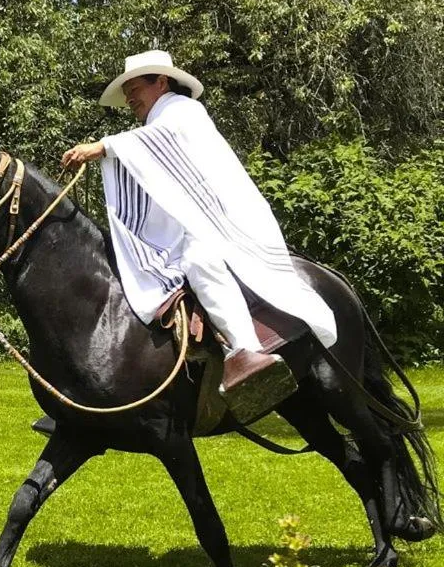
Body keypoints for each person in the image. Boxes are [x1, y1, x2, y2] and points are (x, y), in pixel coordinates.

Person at [61, 49, 337, 422]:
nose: (129, 99)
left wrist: (103, 147)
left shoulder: (182, 111)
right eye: (126, 93)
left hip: (226, 218)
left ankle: (247, 351)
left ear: (161, 82)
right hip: (194, 221)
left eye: (134, 89)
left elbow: (159, 141)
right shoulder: (157, 124)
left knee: (198, 258)